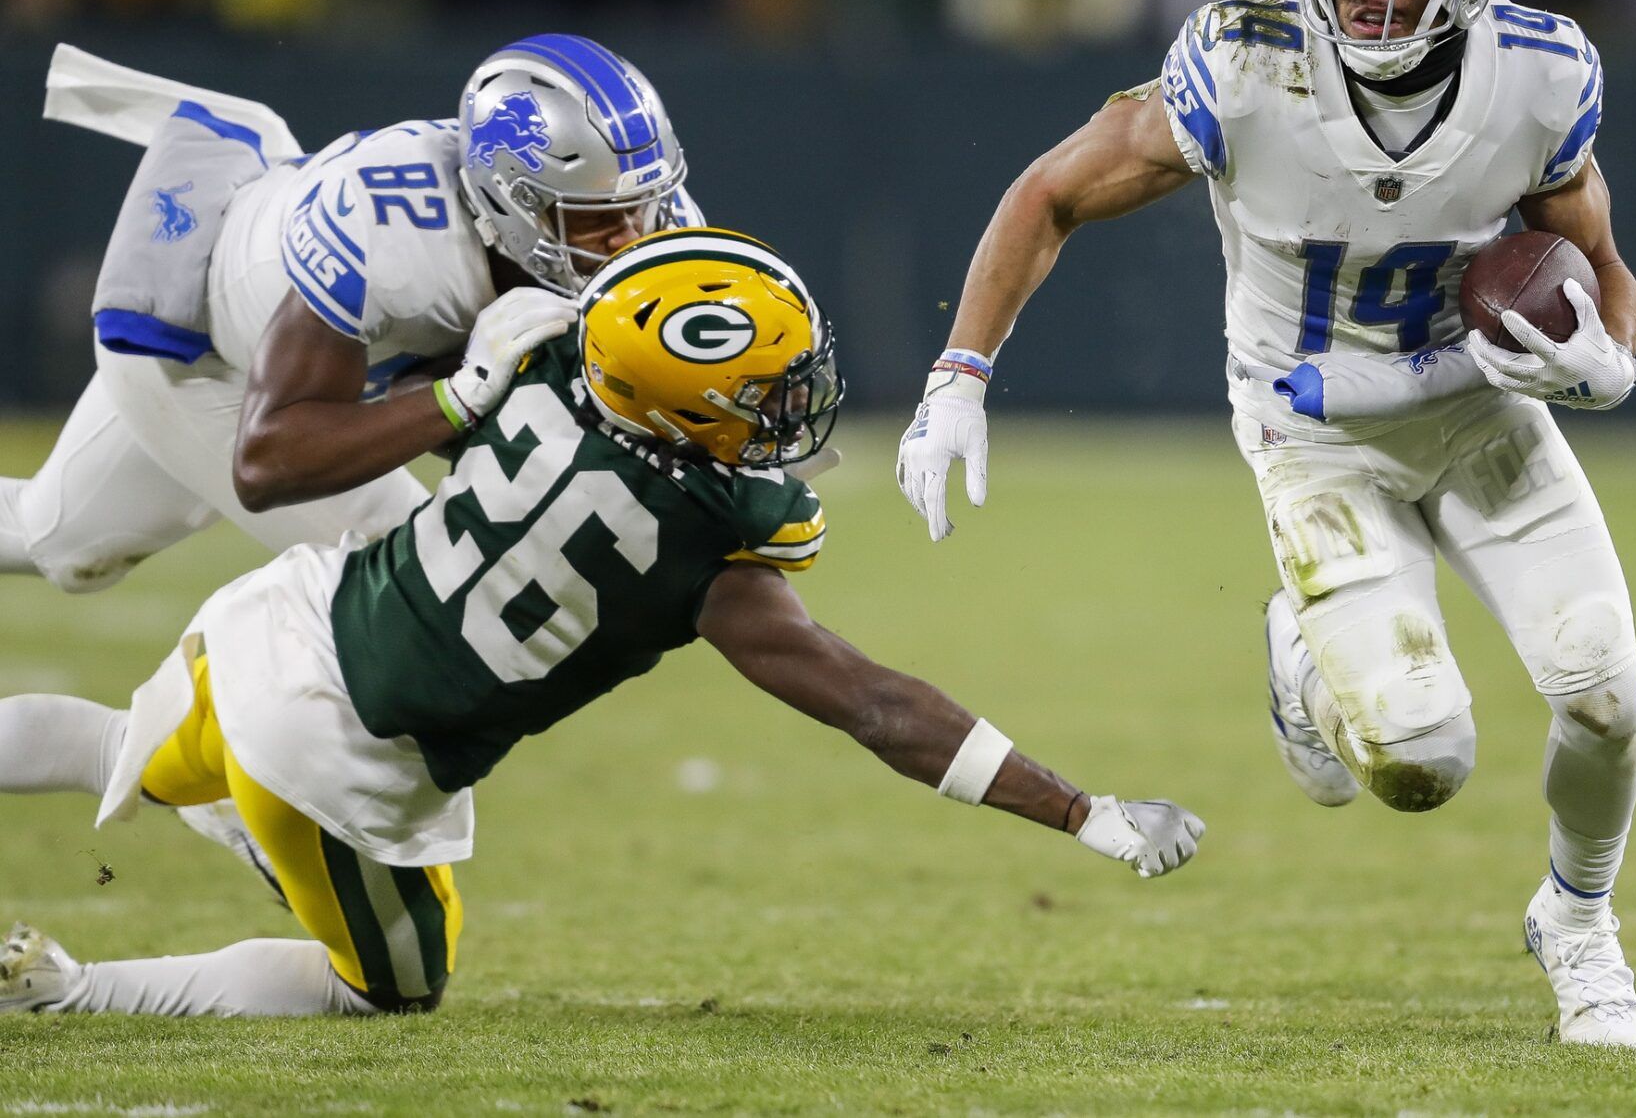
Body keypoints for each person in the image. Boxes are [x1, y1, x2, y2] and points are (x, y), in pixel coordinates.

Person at [0, 228, 1204, 1017]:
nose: (785, 415)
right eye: (761, 400)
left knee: (124, 748)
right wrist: (1077, 809)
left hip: (275, 619)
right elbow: (876, 704)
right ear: (683, 408)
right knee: (389, 991)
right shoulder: (708, 555)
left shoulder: (549, 356)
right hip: (335, 757)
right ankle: (65, 991)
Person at [895, 0, 1636, 1046]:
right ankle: (1298, 651)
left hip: (1481, 415)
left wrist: (1609, 359)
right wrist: (960, 370)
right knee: (1421, 766)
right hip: (1317, 437)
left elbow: (1598, 259)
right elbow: (1053, 191)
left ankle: (1579, 924)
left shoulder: (1542, 72)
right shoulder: (1244, 63)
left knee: (1604, 695)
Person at [0, 34, 704, 595]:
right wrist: (460, 398)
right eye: (600, 218)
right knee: (418, 586)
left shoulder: (633, 218)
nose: (633, 238)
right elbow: (268, 457)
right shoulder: (392, 238)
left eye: (643, 205)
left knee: (56, 538)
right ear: (512, 203)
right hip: (197, 345)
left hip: (301, 319)